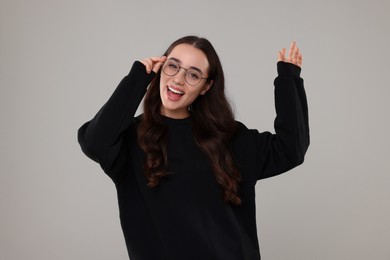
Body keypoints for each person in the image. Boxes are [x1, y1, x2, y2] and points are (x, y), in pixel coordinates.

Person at [77, 35, 309, 260]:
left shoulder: (229, 137)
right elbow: (94, 142)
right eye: (173, 66)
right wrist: (136, 80)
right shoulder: (132, 139)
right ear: (160, 69)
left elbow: (291, 150)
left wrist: (289, 79)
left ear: (206, 87)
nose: (178, 79)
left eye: (193, 74)